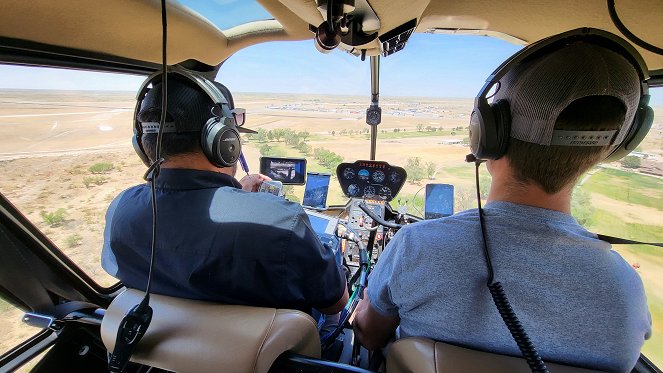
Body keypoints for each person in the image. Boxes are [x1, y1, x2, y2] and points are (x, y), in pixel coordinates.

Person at [353, 32, 652, 372]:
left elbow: (369, 337)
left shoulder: (417, 246)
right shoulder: (624, 288)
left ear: (487, 135)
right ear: (613, 149)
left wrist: (368, 300)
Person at [101, 73, 348, 318]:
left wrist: (237, 195)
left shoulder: (120, 210)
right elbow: (335, 303)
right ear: (223, 141)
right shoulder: (281, 221)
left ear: (142, 144)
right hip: (269, 356)